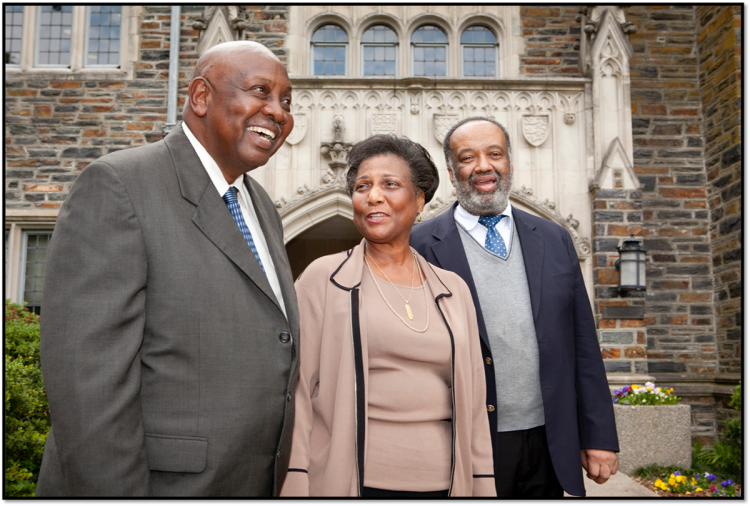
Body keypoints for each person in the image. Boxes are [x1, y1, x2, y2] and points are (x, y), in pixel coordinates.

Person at [36, 41, 299, 496]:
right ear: (200, 97)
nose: (278, 112)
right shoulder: (119, 185)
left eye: (287, 101)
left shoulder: (262, 208)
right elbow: (89, 388)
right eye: (261, 91)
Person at [410, 117, 619, 497]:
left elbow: (583, 345)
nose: (484, 166)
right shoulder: (420, 246)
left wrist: (599, 435)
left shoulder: (554, 238)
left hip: (549, 439)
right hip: (468, 441)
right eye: (468, 157)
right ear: (452, 170)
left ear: (509, 162)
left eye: (495, 154)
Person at [280, 135, 495, 497]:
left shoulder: (453, 290)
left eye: (390, 185)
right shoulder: (324, 278)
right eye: (363, 186)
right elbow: (297, 390)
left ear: (420, 200)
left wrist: (483, 482)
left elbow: (474, 403)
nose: (373, 196)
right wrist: (296, 477)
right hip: (355, 482)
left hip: (445, 483)